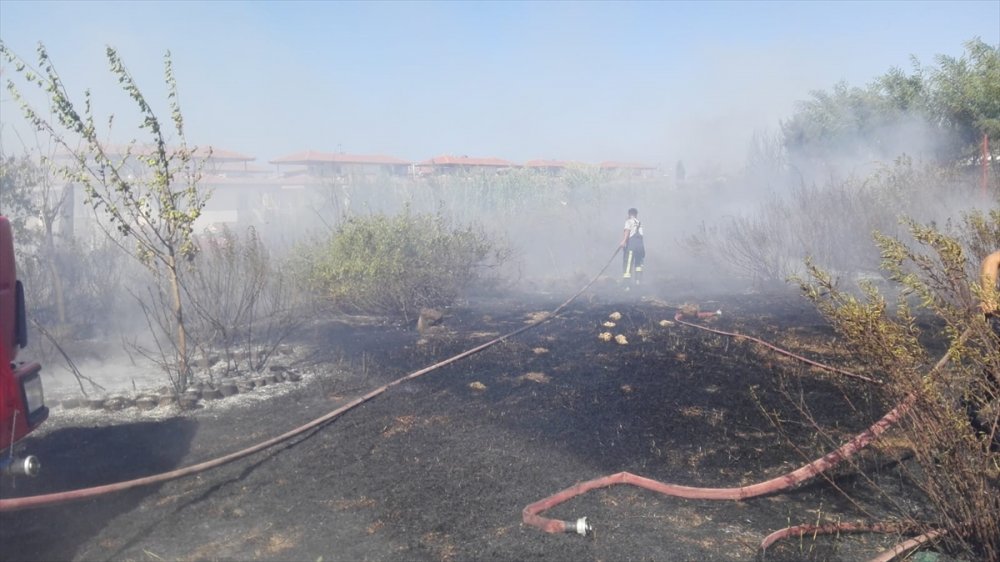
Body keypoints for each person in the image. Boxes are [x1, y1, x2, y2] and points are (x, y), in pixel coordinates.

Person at [618, 208, 645, 285]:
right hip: (640, 247)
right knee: (638, 265)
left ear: (629, 214)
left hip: (632, 246)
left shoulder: (628, 221)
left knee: (628, 264)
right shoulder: (639, 223)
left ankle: (627, 285)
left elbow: (627, 231)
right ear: (636, 215)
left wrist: (623, 241)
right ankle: (638, 282)